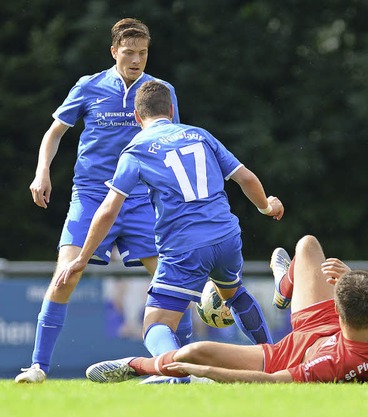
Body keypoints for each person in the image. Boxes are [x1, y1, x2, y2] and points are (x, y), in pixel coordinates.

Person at [55, 80, 284, 383]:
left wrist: (82, 257)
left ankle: (173, 374)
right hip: (227, 236)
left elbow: (109, 209)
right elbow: (245, 177)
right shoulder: (200, 135)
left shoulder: (135, 150)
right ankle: (273, 359)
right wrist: (266, 207)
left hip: (185, 246)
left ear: (137, 117)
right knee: (233, 293)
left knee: (155, 324)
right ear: (172, 110)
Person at [16, 18, 194, 384]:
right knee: (66, 276)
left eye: (143, 53)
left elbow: (173, 142)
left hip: (142, 199)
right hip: (93, 195)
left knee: (170, 282)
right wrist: (41, 172)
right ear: (114, 51)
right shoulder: (89, 86)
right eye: (129, 52)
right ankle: (37, 368)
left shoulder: (160, 91)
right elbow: (54, 133)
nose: (136, 60)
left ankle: (186, 369)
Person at [84, 234, 368, 383]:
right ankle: (283, 287)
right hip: (328, 329)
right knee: (307, 246)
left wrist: (209, 374)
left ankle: (135, 365)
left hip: (290, 352)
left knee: (196, 352)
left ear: (338, 308)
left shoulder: (329, 362)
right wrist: (358, 280)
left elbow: (267, 381)